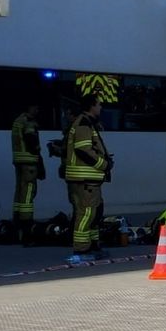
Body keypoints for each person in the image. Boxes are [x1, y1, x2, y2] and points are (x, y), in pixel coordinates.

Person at [62, 95, 111, 263]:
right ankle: (81, 249)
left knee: (94, 213)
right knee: (86, 213)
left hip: (87, 180)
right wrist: (103, 164)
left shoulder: (86, 123)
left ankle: (92, 245)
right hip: (84, 180)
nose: (101, 108)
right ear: (91, 106)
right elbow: (83, 150)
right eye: (99, 104)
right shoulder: (84, 124)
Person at [10, 102, 45, 246]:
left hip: (19, 161)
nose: (37, 109)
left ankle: (17, 227)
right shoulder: (28, 122)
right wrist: (38, 156)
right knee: (28, 193)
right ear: (29, 107)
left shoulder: (17, 121)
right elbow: (31, 139)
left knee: (20, 193)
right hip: (29, 163)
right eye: (35, 106)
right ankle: (27, 230)